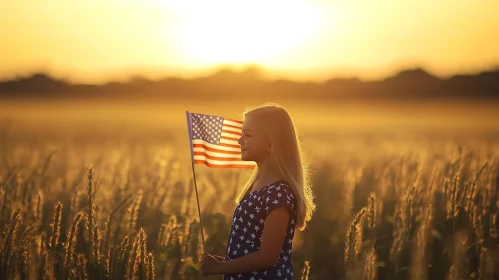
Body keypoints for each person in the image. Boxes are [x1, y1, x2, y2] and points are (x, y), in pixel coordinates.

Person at [200, 102, 316, 279]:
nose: (240, 140)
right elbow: (252, 246)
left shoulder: (278, 193)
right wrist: (228, 261)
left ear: (270, 144)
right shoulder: (256, 184)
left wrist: (221, 267)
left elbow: (268, 257)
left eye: (247, 135)